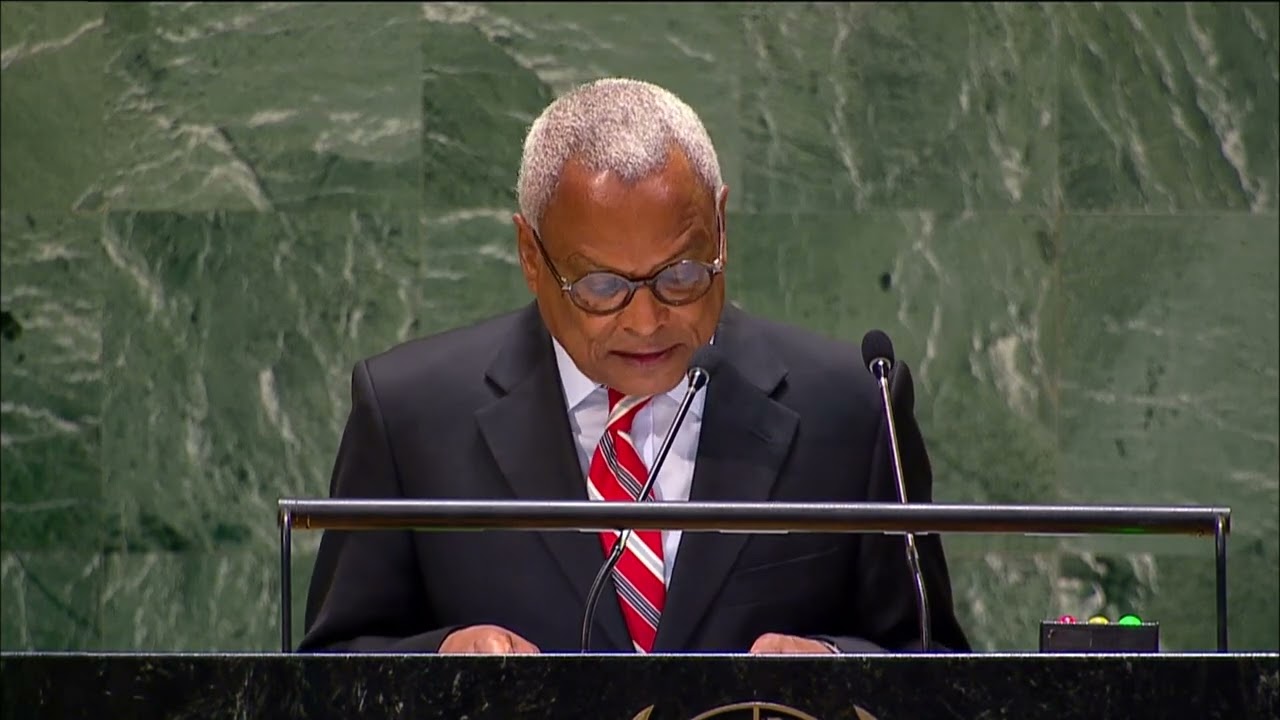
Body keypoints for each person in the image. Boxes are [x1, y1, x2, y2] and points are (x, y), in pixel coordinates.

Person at [300, 78, 969, 655]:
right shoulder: (409, 414)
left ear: (722, 230)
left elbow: (934, 660)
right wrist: (440, 659)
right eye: (601, 288)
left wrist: (831, 664)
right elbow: (329, 671)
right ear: (531, 256)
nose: (646, 322)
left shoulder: (853, 405)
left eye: (680, 276)